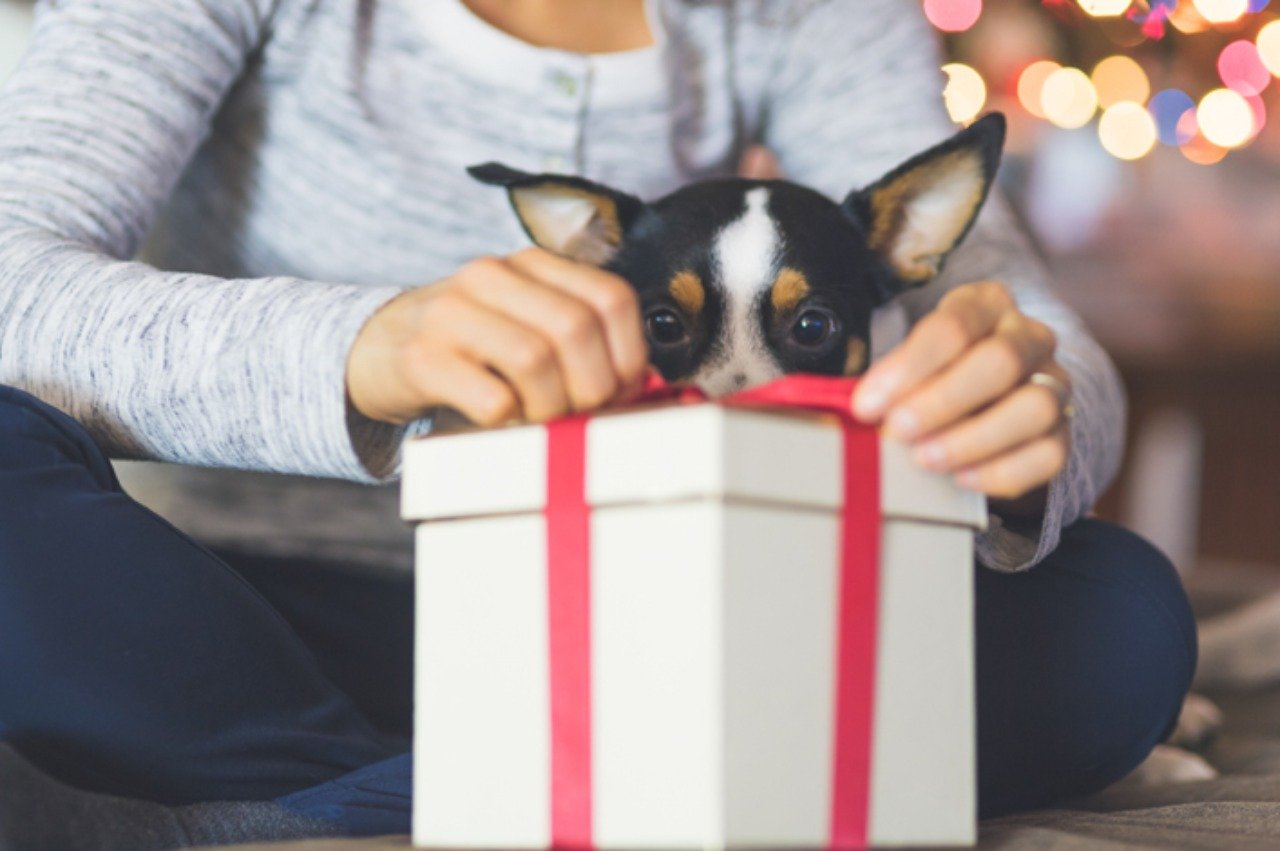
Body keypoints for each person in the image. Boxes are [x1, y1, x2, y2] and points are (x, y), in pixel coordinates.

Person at [0, 0, 1195, 839]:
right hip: (243, 597)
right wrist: (365, 349)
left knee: (1117, 615)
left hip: (670, 623)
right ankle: (642, 790)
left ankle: (344, 795)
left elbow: (1025, 319)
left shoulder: (808, 14)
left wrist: (1027, 411)